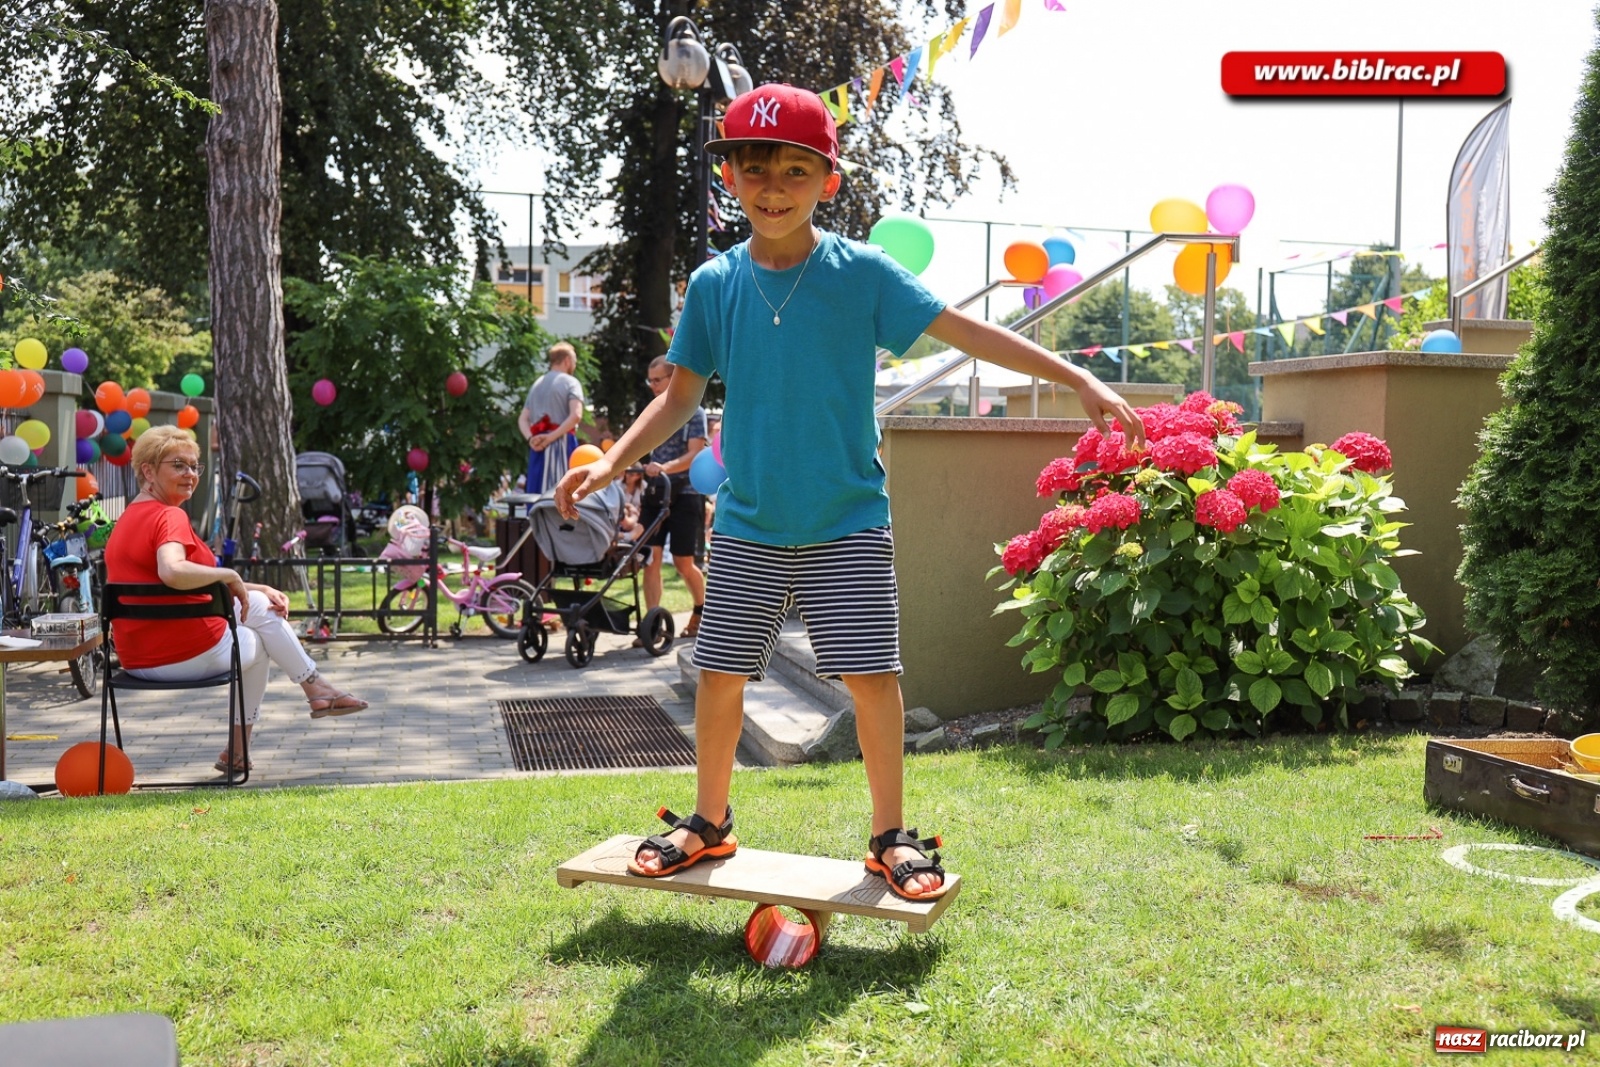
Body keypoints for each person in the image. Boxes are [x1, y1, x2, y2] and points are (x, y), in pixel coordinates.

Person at [556, 84, 1142, 902]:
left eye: (795, 170)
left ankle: (890, 836)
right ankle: (709, 819)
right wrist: (613, 458)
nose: (773, 186)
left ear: (827, 180)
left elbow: (964, 331)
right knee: (721, 672)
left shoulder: (860, 273)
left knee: (872, 678)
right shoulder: (715, 284)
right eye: (754, 168)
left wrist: (1074, 371)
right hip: (753, 523)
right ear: (730, 176)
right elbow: (680, 396)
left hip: (847, 523)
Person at [104, 426, 368, 775]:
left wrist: (252, 586)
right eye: (178, 465)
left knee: (259, 613)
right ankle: (314, 687)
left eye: (195, 466)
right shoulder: (168, 515)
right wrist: (231, 576)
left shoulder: (126, 521)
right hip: (183, 654)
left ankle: (246, 746)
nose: (190, 475)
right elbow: (171, 571)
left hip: (137, 660)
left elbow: (176, 582)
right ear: (148, 471)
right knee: (261, 628)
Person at [635, 356, 708, 641]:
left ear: (672, 378)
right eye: (649, 380)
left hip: (685, 493)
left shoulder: (694, 412)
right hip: (657, 491)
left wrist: (664, 467)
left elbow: (694, 454)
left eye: (657, 380)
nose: (652, 386)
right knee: (649, 560)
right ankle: (652, 624)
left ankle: (701, 612)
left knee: (683, 563)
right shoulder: (653, 411)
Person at [518, 342, 584, 497]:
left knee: (536, 495)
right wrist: (550, 438)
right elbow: (576, 415)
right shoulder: (571, 382)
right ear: (567, 360)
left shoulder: (537, 384)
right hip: (561, 443)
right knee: (561, 494)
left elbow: (522, 419)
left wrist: (531, 439)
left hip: (537, 447)